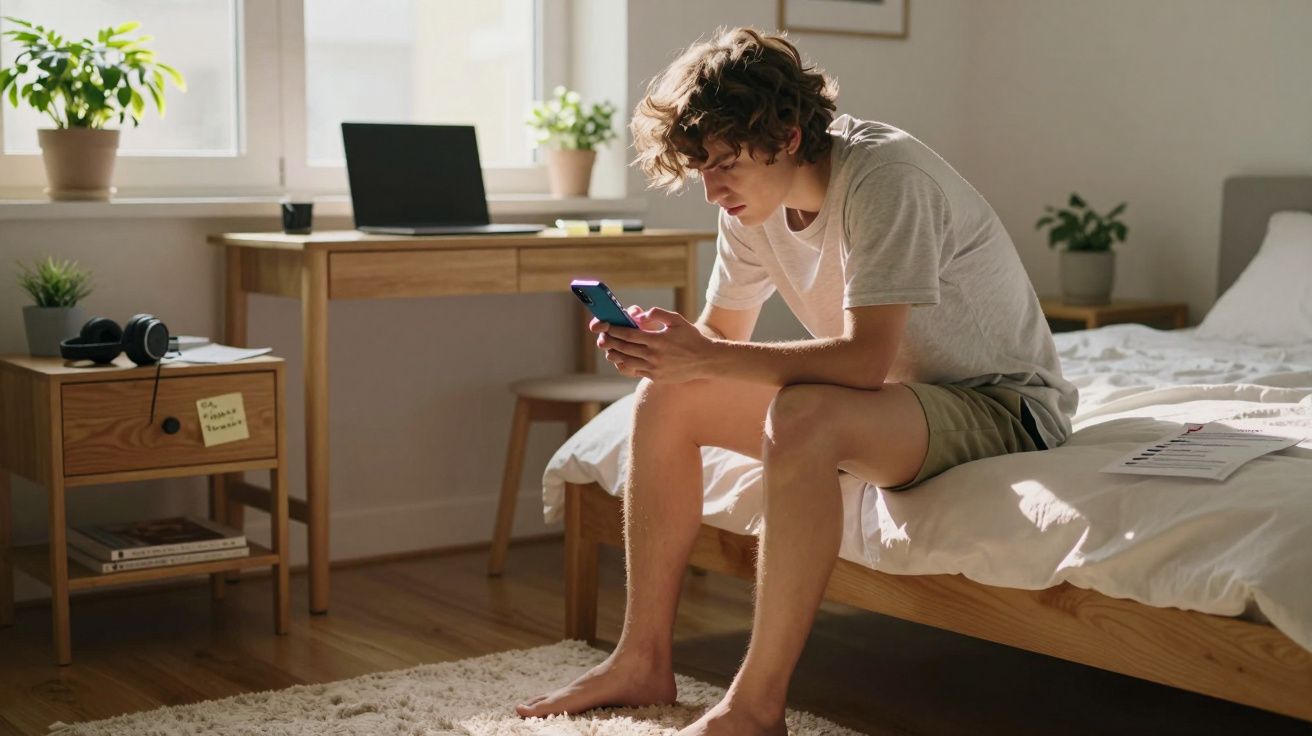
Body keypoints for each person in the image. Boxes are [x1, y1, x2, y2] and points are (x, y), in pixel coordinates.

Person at [516, 26, 1077, 736]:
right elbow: (723, 339)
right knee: (668, 396)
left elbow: (863, 360)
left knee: (804, 414)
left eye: (725, 163)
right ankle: (641, 659)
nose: (713, 189)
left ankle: (756, 708)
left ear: (786, 136)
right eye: (702, 168)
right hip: (886, 407)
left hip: (999, 403)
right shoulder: (747, 206)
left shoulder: (886, 178)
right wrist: (671, 352)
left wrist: (707, 358)